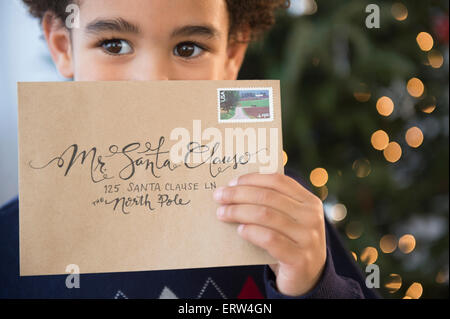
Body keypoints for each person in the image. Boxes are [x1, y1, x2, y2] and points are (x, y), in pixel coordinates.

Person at [0, 0, 378, 299]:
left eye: (188, 47)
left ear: (232, 54)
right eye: (114, 44)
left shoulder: (279, 211)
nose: (154, 81)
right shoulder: (11, 244)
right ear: (63, 46)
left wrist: (312, 285)